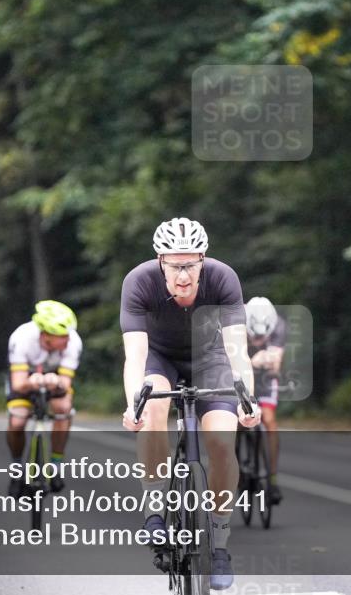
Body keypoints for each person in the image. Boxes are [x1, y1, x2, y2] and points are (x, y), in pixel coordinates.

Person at [120, 217, 259, 591]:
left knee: (221, 441)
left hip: (209, 358)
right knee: (152, 409)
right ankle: (153, 510)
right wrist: (134, 404)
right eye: (174, 264)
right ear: (160, 260)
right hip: (158, 357)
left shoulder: (223, 278)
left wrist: (247, 397)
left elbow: (237, 349)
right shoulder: (138, 282)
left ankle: (219, 544)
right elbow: (135, 356)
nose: (183, 274)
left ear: (203, 259)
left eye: (191, 264)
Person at [6, 300, 82, 496]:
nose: (67, 340)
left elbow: (65, 383)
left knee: (63, 409)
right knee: (17, 420)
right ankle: (16, 469)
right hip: (25, 377)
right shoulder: (21, 338)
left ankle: (55, 466)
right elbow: (18, 384)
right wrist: (32, 382)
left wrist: (55, 382)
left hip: (55, 377)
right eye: (61, 337)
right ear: (46, 336)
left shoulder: (73, 342)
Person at [244, 296, 286, 504]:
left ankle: (272, 477)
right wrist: (250, 362)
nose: (259, 340)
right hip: (240, 372)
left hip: (264, 375)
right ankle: (239, 464)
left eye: (263, 336)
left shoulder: (278, 325)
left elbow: (275, 363)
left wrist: (268, 363)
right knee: (235, 419)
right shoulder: (236, 323)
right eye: (255, 336)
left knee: (269, 420)